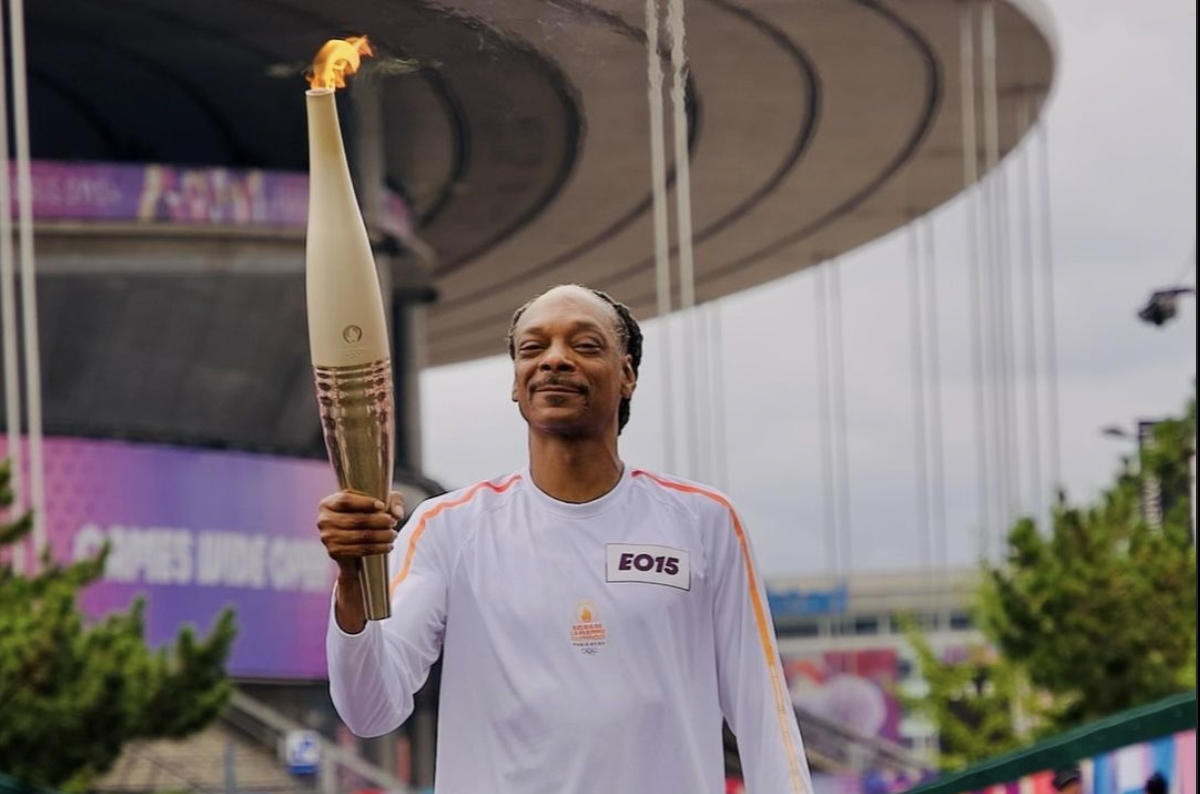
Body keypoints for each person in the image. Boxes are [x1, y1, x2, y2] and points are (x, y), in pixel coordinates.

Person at [319, 284, 811, 793]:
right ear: (516, 383)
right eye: (533, 348)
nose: (555, 360)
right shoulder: (448, 527)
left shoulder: (703, 521)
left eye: (585, 345)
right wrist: (353, 578)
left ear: (627, 375)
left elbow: (762, 713)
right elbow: (370, 710)